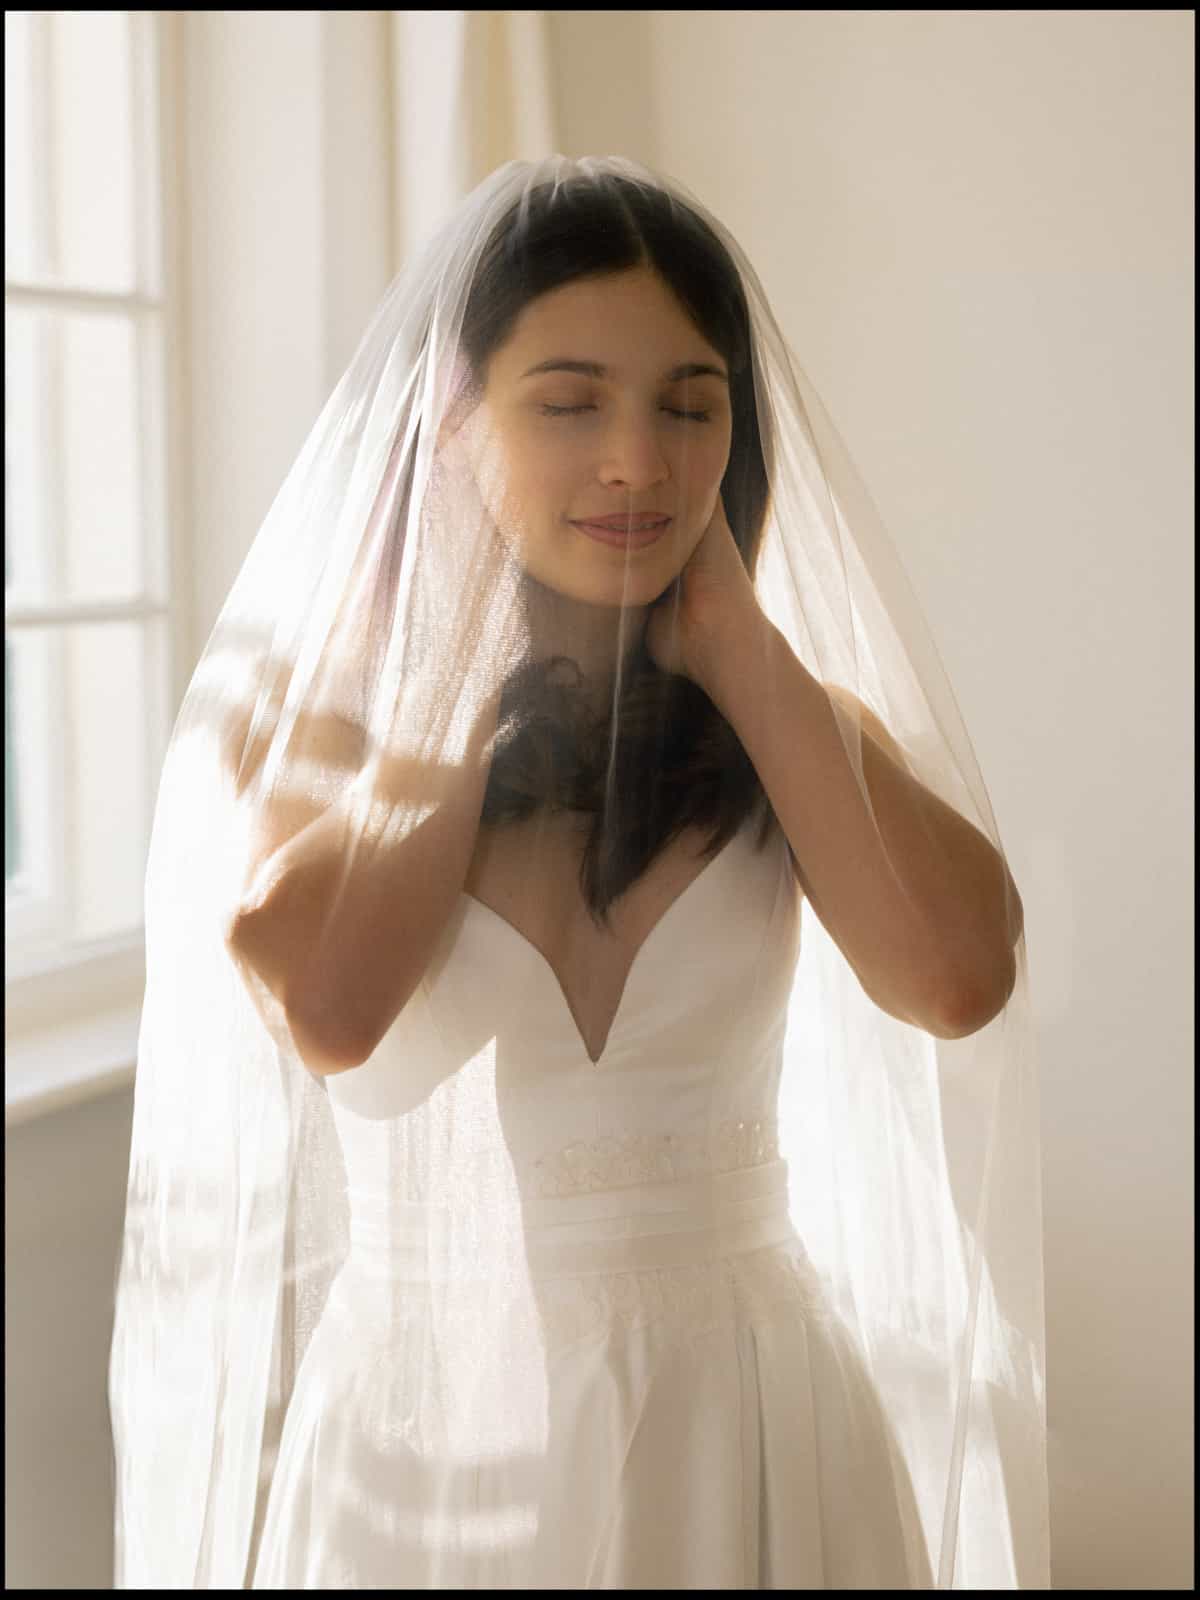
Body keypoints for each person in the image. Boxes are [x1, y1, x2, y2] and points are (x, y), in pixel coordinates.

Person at [109, 156, 1049, 1589]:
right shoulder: (320, 728)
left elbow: (960, 982)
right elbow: (336, 1008)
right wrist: (470, 661)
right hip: (435, 1457)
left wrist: (736, 642)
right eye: (569, 402)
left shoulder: (787, 728)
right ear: (450, 422)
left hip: (749, 1417)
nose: (640, 461)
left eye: (689, 405)